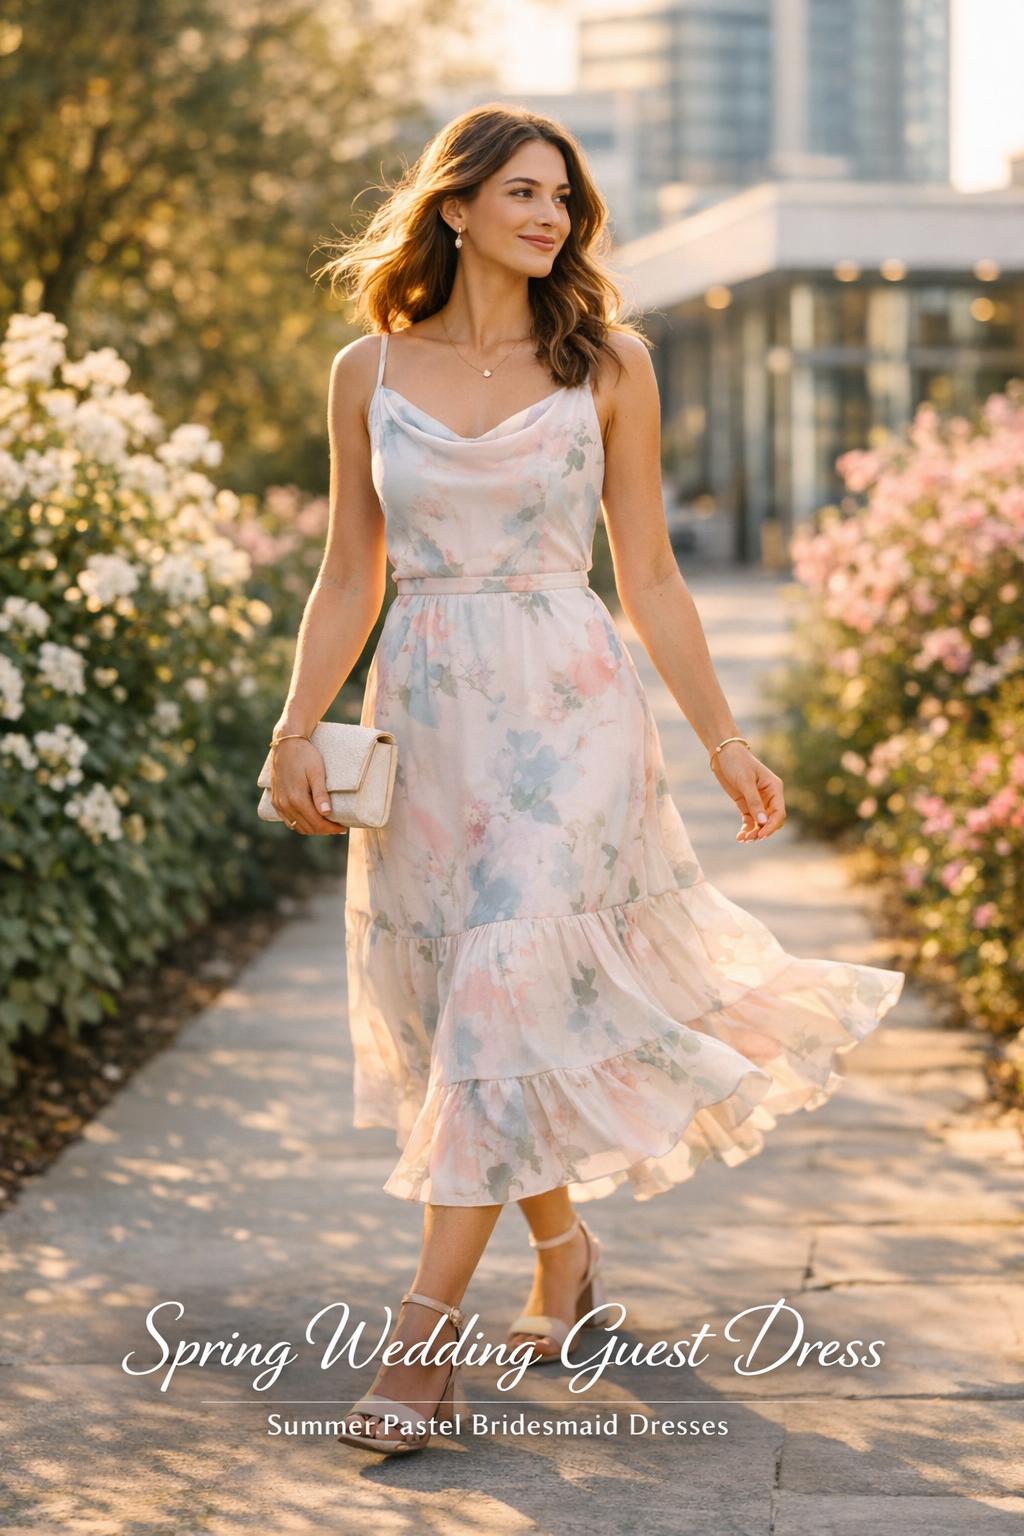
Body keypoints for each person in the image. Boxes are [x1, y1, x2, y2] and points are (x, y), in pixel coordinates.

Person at [267, 105, 906, 1454]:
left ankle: (418, 1347)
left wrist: (727, 740)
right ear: (455, 208)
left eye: (563, 194)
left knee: (508, 982)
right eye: (520, 191)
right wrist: (293, 722)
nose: (550, 215)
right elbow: (348, 576)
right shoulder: (365, 371)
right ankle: (567, 1262)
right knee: (473, 1011)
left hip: (570, 702)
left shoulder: (608, 364)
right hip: (428, 712)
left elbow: (652, 575)